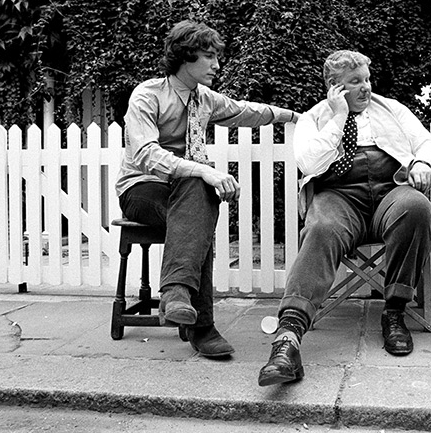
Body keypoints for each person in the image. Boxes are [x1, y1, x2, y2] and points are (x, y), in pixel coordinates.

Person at [116, 20, 299, 358]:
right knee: (199, 195)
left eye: (217, 57)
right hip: (143, 189)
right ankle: (202, 328)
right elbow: (145, 155)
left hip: (186, 195)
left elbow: (245, 111)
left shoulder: (205, 99)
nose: (217, 65)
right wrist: (203, 170)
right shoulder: (148, 95)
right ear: (185, 57)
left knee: (197, 199)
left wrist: (292, 116)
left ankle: (176, 295)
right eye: (208, 56)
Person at [258, 50, 431, 387]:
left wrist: (423, 164)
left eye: (367, 79)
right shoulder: (314, 118)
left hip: (391, 190)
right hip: (340, 196)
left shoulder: (392, 109)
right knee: (321, 227)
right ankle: (288, 338)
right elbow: (310, 165)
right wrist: (339, 117)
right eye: (355, 82)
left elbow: (423, 142)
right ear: (334, 87)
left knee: (417, 208)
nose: (366, 88)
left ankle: (395, 311)